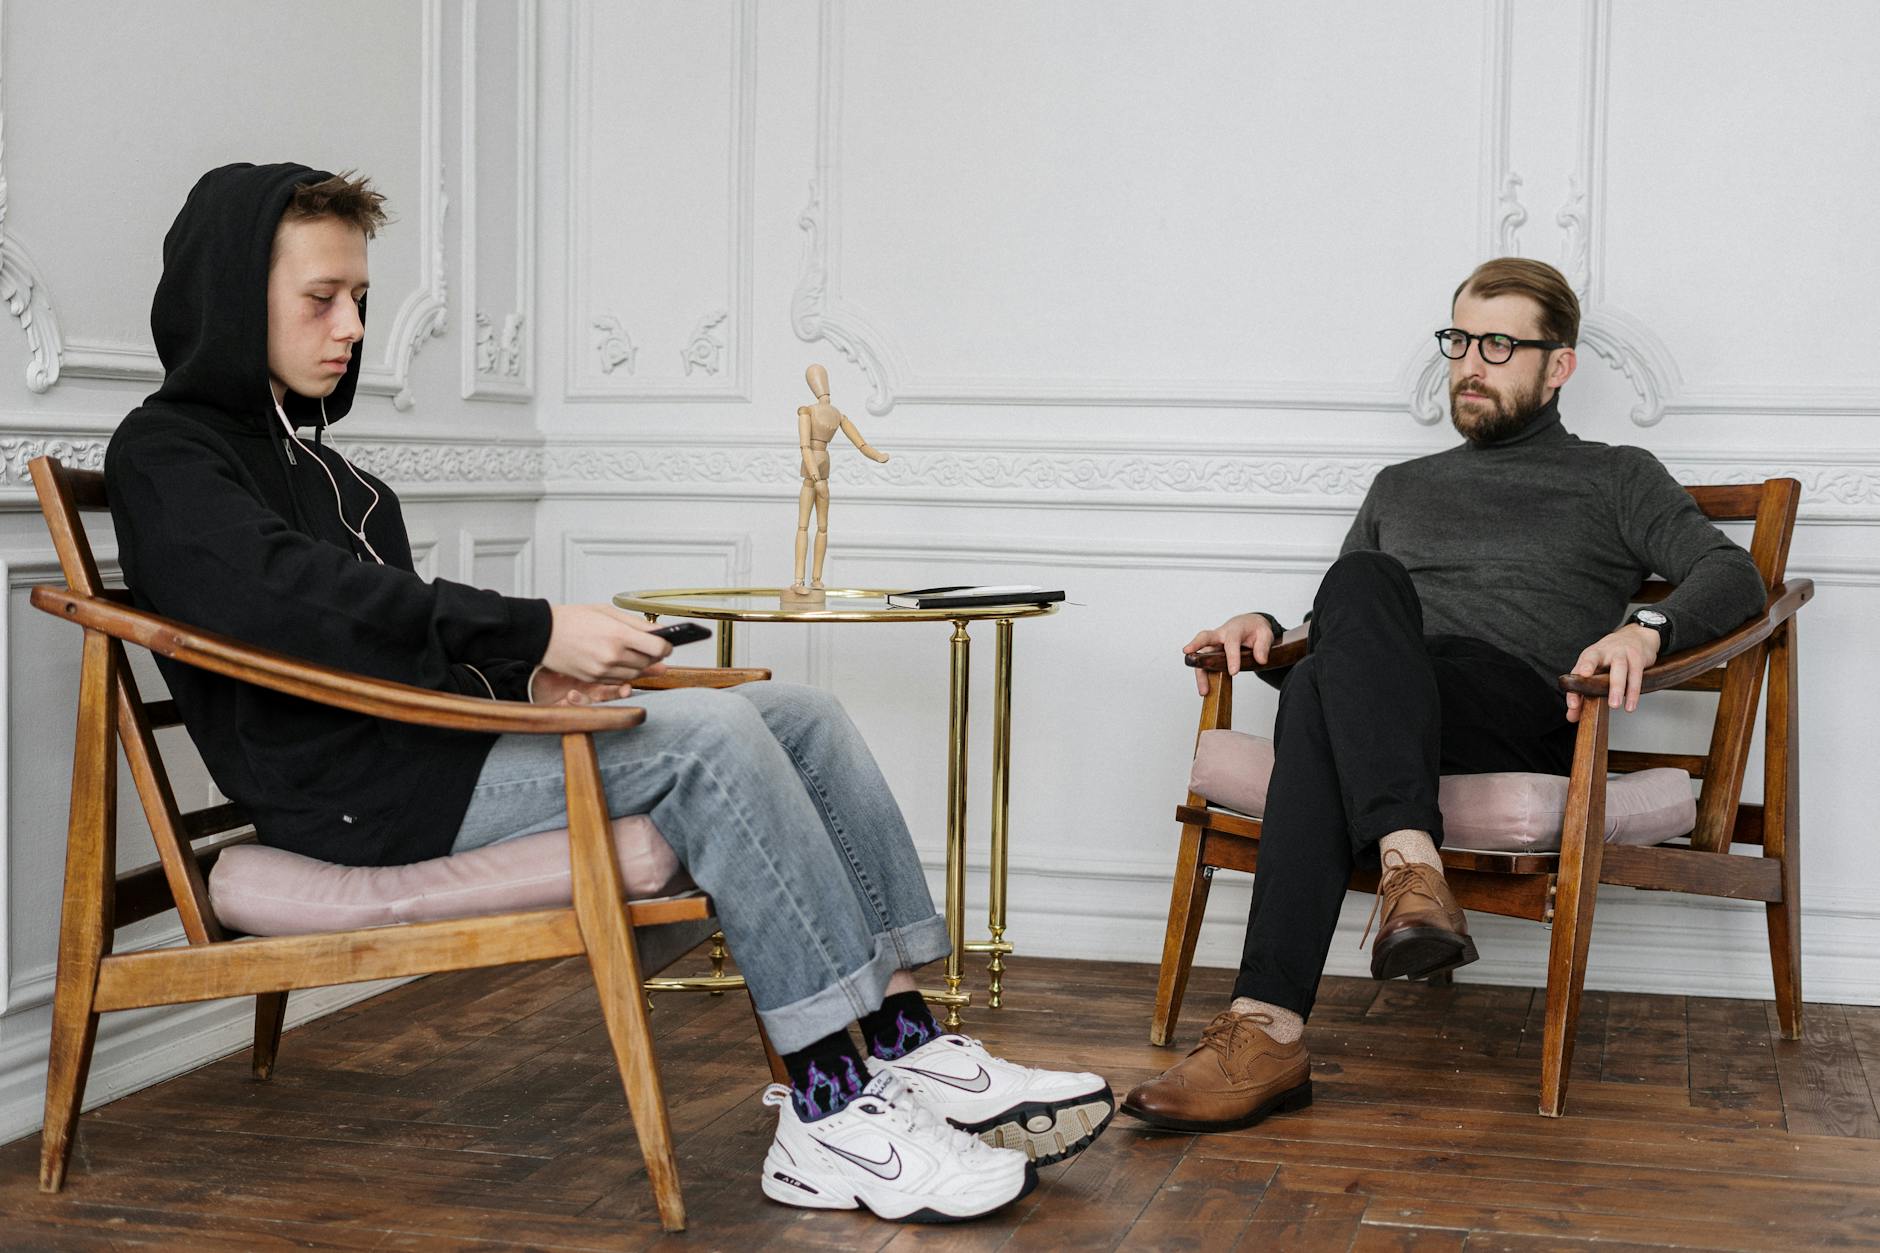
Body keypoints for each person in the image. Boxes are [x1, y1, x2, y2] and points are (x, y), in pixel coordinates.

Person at [105, 163, 1113, 1223]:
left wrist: (531, 675)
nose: (353, 323)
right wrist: (537, 629)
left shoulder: (337, 475)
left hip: (437, 748)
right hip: (363, 794)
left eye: (360, 295)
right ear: (231, 297)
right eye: (323, 298)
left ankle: (913, 1046)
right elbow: (297, 605)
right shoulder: (167, 453)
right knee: (709, 738)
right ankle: (826, 1112)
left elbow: (388, 646)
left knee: (800, 713)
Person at [1121, 258, 1766, 1133]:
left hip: (1522, 709)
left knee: (1333, 651)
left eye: (1500, 344)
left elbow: (1732, 575)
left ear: (1559, 364)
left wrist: (1645, 629)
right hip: (1394, 708)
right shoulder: (1401, 484)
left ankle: (1268, 1022)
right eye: (1459, 339)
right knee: (1344, 612)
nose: (1470, 362)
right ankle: (1382, 898)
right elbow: (1342, 636)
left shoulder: (1617, 475)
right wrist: (1265, 630)